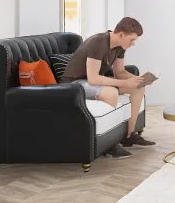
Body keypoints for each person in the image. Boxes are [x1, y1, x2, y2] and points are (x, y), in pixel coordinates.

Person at [60, 17, 154, 158]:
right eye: (132, 40)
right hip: (74, 84)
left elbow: (119, 72)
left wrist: (139, 80)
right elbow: (93, 78)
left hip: (91, 81)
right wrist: (125, 83)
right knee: (111, 93)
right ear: (121, 34)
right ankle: (110, 144)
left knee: (138, 87)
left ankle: (129, 135)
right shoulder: (98, 42)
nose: (133, 44)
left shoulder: (120, 46)